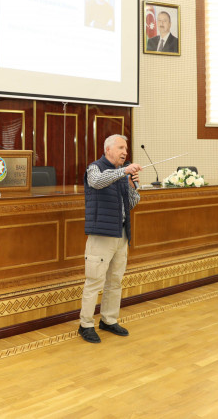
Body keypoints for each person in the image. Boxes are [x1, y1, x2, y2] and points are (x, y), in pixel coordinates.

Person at [78, 134, 141, 344]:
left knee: (115, 281)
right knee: (94, 281)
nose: (125, 152)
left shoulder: (123, 173)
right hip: (102, 236)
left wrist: (133, 187)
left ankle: (109, 319)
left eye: (126, 149)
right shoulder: (94, 168)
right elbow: (96, 182)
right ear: (108, 150)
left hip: (121, 234)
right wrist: (124, 171)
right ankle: (86, 324)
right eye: (121, 148)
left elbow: (131, 204)